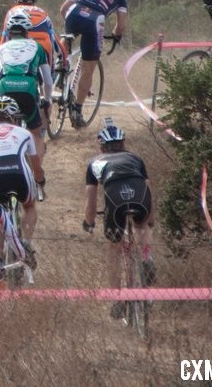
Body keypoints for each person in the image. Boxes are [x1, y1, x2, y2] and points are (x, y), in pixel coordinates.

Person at [81, 122, 156, 319]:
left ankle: (117, 300)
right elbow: (149, 190)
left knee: (113, 248)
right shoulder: (135, 158)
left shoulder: (95, 162)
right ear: (123, 144)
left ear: (102, 147)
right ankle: (147, 258)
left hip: (115, 201)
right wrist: (151, 220)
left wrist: (89, 222)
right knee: (143, 226)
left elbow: (90, 199)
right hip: (140, 196)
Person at [0, 96, 45, 266]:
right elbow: (36, 164)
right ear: (15, 117)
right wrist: (40, 180)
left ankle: (0, 260)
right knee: (29, 207)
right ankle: (26, 244)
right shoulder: (25, 133)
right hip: (20, 175)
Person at [59, 0, 128, 122]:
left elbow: (63, 9)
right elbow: (121, 25)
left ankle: (59, 64)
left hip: (74, 13)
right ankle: (77, 110)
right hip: (95, 19)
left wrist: (71, 28)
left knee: (66, 39)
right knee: (88, 67)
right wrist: (116, 36)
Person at [0, 9, 54, 169]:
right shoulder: (37, 47)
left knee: (3, 130)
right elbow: (47, 80)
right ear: (27, 31)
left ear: (9, 32)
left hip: (5, 90)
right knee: (36, 133)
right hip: (28, 90)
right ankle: (37, 177)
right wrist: (47, 99)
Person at [0, 0, 64, 71]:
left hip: (19, 47)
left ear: (16, 0)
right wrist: (63, 58)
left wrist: (0, 56)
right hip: (43, 47)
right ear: (34, 0)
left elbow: (5, 37)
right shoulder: (43, 12)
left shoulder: (12, 12)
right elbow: (54, 40)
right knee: (49, 78)